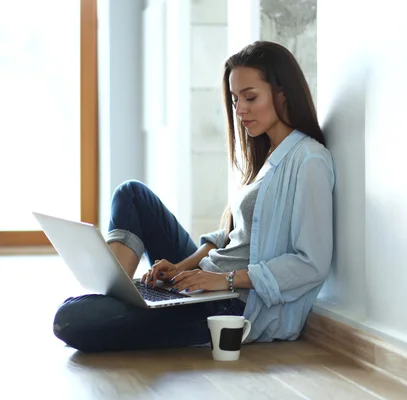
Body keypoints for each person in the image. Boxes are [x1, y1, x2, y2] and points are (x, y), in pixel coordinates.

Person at [53, 41, 335, 352]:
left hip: (233, 306)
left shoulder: (309, 160)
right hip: (207, 281)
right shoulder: (266, 154)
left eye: (250, 97)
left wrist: (225, 281)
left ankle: (120, 302)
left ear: (283, 94)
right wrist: (183, 267)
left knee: (71, 318)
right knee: (132, 194)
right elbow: (232, 236)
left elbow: (312, 263)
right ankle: (123, 295)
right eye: (235, 99)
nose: (239, 110)